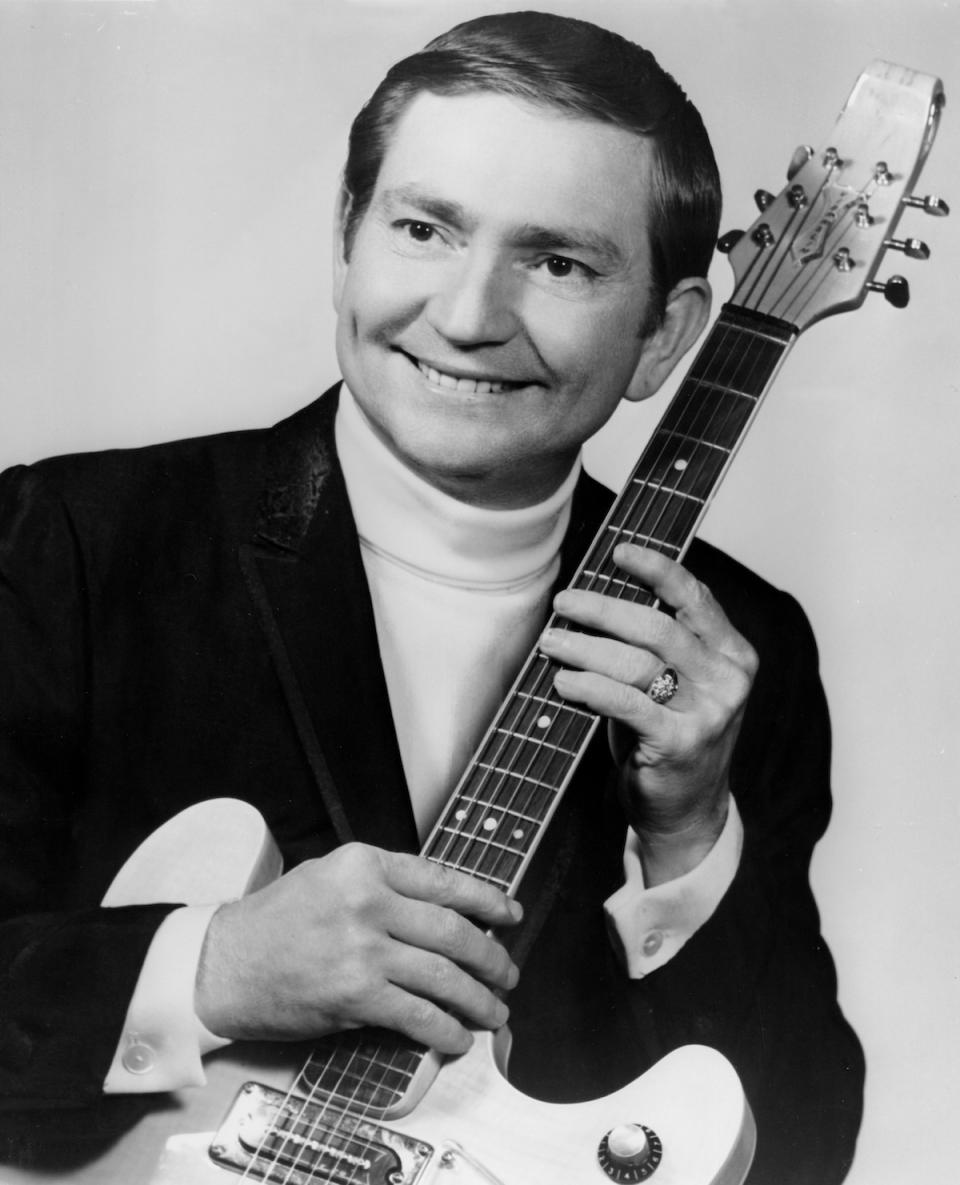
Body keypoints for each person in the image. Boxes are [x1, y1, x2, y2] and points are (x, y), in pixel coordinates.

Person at [0, 11, 863, 1183]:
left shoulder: (732, 651)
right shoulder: (69, 546)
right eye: (423, 229)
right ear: (346, 242)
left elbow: (801, 1151)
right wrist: (210, 968)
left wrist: (692, 843)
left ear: (664, 338)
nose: (467, 317)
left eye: (556, 262)